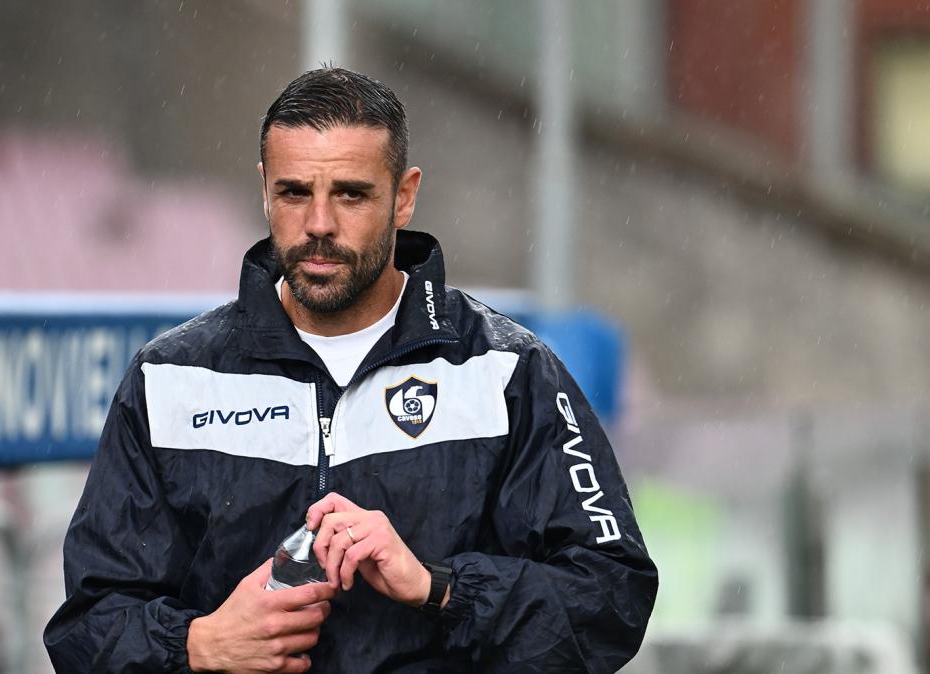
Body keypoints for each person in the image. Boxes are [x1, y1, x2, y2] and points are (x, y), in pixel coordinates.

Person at [44, 67, 657, 673]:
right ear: (264, 190)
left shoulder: (505, 371)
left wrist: (439, 588)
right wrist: (198, 645)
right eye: (294, 193)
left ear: (404, 197)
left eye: (351, 194)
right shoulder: (168, 379)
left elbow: (612, 599)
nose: (319, 225)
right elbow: (87, 626)